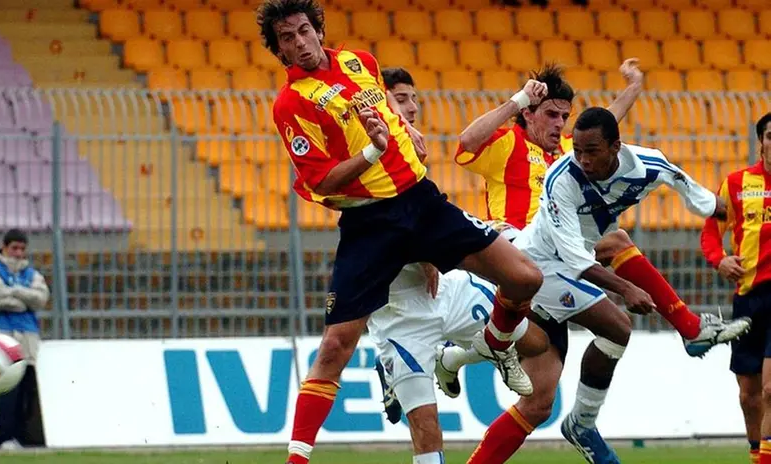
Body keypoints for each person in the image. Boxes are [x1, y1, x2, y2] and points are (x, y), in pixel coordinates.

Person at [257, 2, 544, 463]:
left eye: (304, 31)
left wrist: (404, 124)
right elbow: (320, 181)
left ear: (318, 29)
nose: (299, 43)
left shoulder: (360, 62)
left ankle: (494, 345)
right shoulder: (291, 103)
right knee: (334, 346)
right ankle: (296, 459)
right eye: (287, 39)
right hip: (371, 225)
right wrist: (373, 153)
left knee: (526, 279)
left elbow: (382, 99)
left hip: (421, 203)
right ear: (279, 51)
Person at [457, 107, 751, 464]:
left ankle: (577, 422)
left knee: (538, 403)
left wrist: (720, 207)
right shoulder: (560, 179)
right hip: (539, 266)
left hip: (567, 267)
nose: (581, 159)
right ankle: (687, 331)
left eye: (591, 151)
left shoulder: (648, 165)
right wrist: (626, 289)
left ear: (616, 146)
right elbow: (575, 260)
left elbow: (687, 187)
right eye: (577, 150)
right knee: (618, 323)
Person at [363, 67, 549, 463]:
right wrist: (424, 250)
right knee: (427, 428)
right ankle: (398, 370)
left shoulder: (413, 152)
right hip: (400, 312)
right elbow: (378, 233)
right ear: (380, 105)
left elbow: (431, 216)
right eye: (401, 99)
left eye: (414, 99)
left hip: (445, 291)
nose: (412, 107)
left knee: (536, 341)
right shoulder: (367, 160)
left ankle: (452, 358)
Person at [700, 112, 771, 464]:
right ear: (761, 141)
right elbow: (711, 232)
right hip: (748, 297)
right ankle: (756, 451)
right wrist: (720, 260)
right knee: (749, 394)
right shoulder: (737, 183)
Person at [0, 228, 50, 449]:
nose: (18, 253)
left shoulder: (32, 273)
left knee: (27, 388)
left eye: (22, 249)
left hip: (28, 337)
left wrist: (14, 292)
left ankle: (23, 436)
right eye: (14, 248)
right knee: (8, 387)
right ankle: (4, 437)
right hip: (2, 334)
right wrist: (24, 300)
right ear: (4, 247)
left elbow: (42, 298)